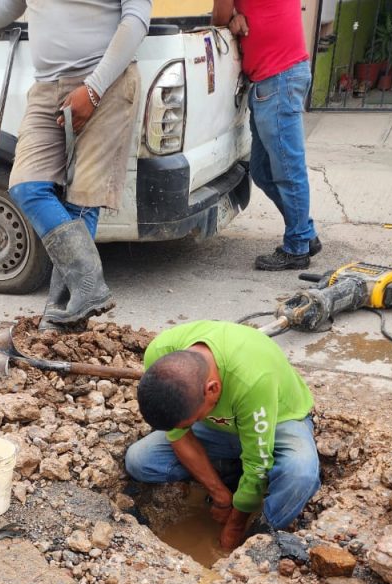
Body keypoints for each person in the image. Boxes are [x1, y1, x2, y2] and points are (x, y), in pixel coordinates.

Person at [0, 0, 151, 330]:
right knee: (27, 187)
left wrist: (93, 89)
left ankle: (60, 314)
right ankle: (87, 289)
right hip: (47, 88)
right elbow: (6, 6)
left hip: (106, 84)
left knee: (82, 200)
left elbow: (136, 19)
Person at [125, 321, 320, 551]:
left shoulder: (253, 379)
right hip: (218, 427)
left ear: (212, 389)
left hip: (277, 419)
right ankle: (232, 474)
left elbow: (257, 463)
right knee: (139, 460)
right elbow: (178, 435)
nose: (187, 427)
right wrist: (221, 496)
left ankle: (260, 538)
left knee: (300, 474)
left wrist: (236, 526)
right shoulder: (160, 355)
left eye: (191, 421)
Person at [212, 0, 320, 271]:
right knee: (261, 170)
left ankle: (297, 248)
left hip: (278, 78)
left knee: (288, 170)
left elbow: (218, 17)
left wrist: (232, 15)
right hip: (275, 77)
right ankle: (304, 232)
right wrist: (236, 14)